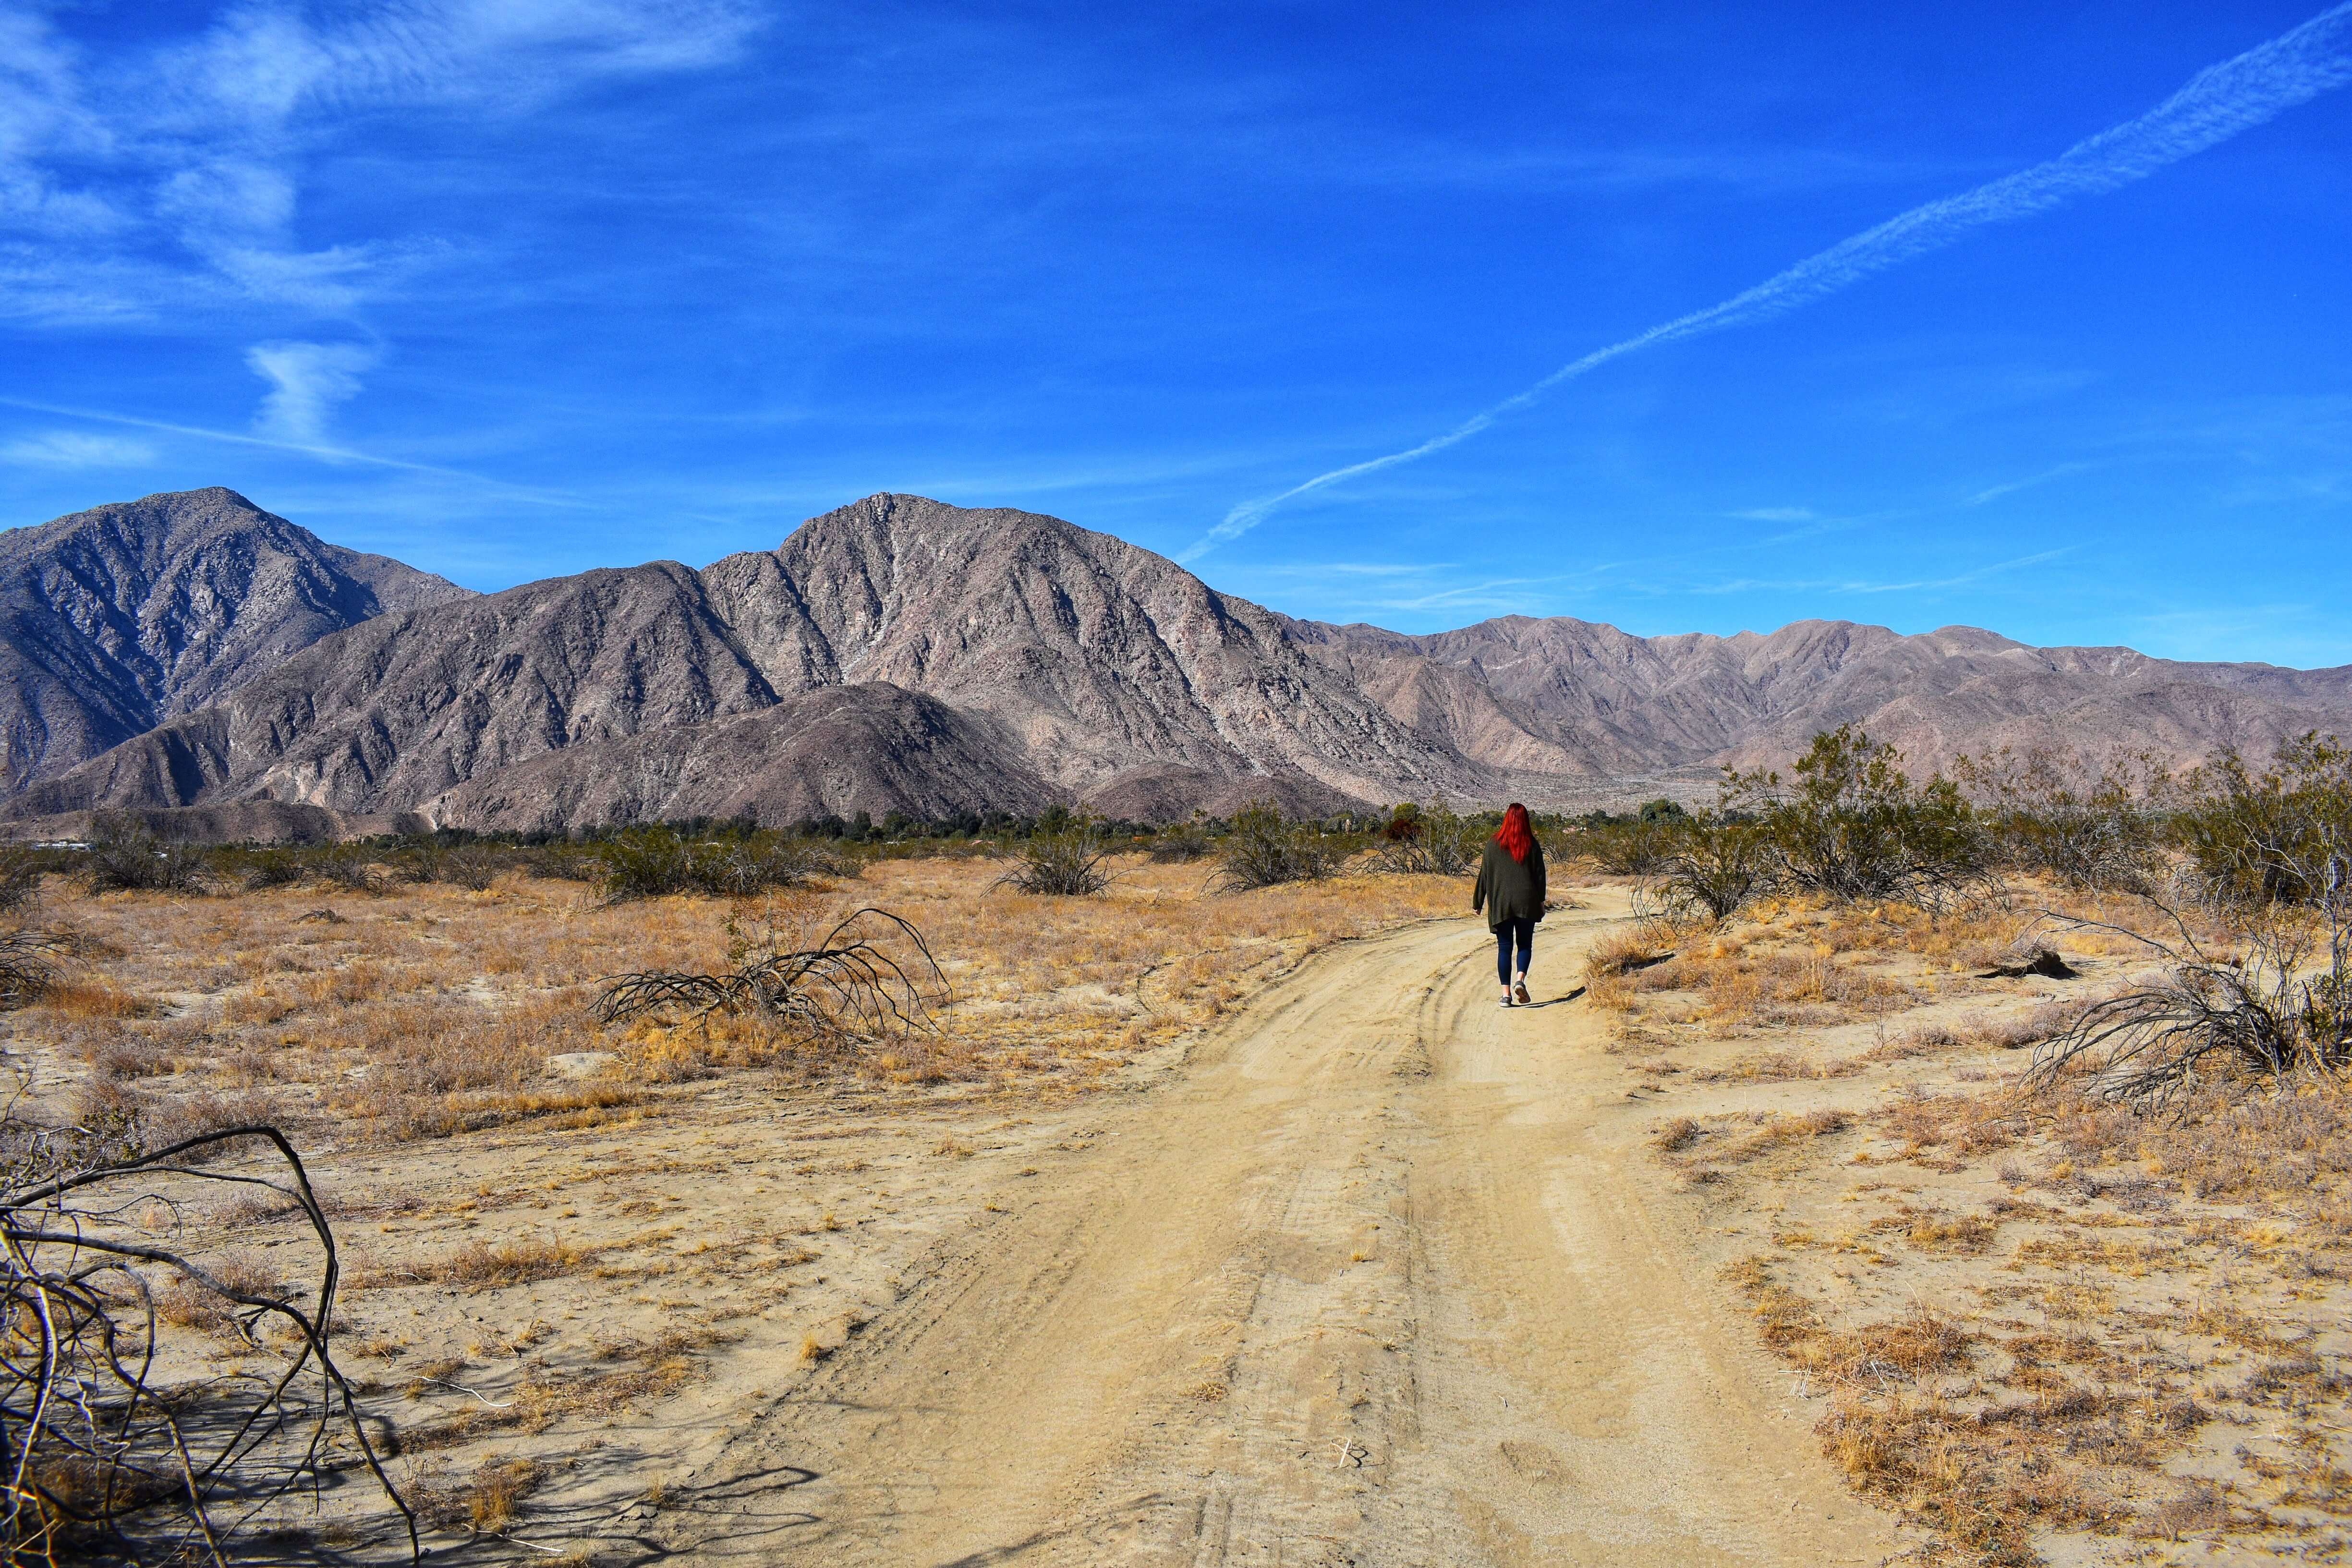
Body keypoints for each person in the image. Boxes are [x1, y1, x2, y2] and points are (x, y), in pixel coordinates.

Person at [1472, 802, 1545, 1007]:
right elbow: (1540, 877)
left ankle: (1506, 996)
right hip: (1527, 901)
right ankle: (1520, 980)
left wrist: (1478, 901)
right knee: (1525, 945)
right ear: (1525, 821)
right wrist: (1541, 901)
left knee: (1504, 948)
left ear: (1506, 819)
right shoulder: (1532, 844)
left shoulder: (1493, 845)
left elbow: (1484, 875)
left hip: (1501, 902)